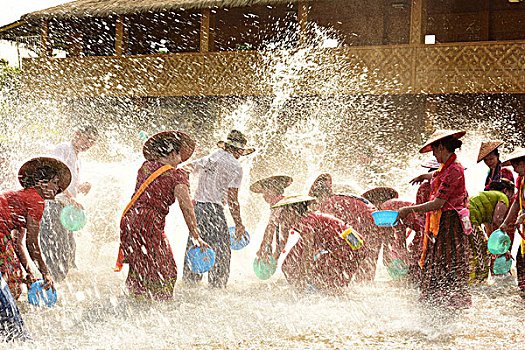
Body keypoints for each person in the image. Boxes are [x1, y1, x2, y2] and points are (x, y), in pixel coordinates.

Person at [117, 131, 208, 300]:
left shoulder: (145, 167)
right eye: (179, 155)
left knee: (139, 266)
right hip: (149, 223)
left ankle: (132, 302)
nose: (180, 161)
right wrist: (196, 235)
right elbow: (186, 207)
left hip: (129, 219)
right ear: (173, 153)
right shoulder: (177, 175)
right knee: (165, 270)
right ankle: (159, 309)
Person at [398, 130, 471, 309]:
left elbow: (437, 203)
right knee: (436, 255)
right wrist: (423, 176)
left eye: (434, 151)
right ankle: (436, 295)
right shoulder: (446, 167)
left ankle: (450, 295)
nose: (433, 155)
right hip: (442, 221)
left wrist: (409, 209)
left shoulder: (455, 169)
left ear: (441, 148)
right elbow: (437, 175)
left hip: (450, 220)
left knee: (447, 257)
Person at [182, 130, 253, 288]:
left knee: (195, 249)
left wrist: (184, 191)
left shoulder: (210, 157)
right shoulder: (236, 167)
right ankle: (217, 290)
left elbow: (185, 169)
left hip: (197, 210)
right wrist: (239, 224)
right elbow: (233, 200)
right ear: (239, 150)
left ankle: (189, 285)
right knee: (221, 255)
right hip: (214, 212)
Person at [0, 157, 71, 299]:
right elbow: (31, 243)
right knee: (12, 282)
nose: (58, 189)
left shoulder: (25, 196)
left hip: (3, 231)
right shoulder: (36, 200)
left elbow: (17, 243)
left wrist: (28, 271)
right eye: (55, 183)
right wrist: (46, 273)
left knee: (11, 276)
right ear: (41, 184)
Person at [39, 125, 98, 281]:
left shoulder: (77, 158)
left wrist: (79, 187)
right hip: (54, 204)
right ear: (77, 134)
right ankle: (52, 282)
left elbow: (68, 183)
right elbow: (53, 174)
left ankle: (65, 286)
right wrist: (70, 197)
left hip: (65, 208)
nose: (88, 143)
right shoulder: (63, 148)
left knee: (69, 249)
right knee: (55, 246)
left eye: (92, 142)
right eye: (87, 138)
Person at [274, 195, 364, 292]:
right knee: (331, 282)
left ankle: (308, 295)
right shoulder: (310, 217)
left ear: (292, 211)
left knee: (322, 279)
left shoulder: (305, 221)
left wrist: (302, 277)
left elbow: (307, 252)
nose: (282, 217)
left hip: (347, 247)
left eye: (283, 212)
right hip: (355, 242)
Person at [308, 174, 378, 281]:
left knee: (356, 248)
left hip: (363, 219)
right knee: (367, 251)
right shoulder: (339, 198)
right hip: (374, 215)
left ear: (320, 196)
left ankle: (357, 283)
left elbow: (332, 231)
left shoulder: (327, 204)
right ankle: (367, 281)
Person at [467, 179, 515, 284]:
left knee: (473, 250)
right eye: (513, 193)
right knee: (482, 253)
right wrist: (504, 248)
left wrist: (495, 247)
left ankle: (471, 280)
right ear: (506, 191)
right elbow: (497, 222)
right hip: (469, 219)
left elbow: (490, 229)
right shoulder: (503, 197)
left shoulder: (489, 197)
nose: (512, 197)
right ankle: (479, 282)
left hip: (465, 216)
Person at [500, 148, 525, 296]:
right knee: (521, 259)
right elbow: (516, 203)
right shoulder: (520, 180)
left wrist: (523, 216)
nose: (514, 169)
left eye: (516, 165)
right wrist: (506, 223)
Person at [251, 175, 293, 263]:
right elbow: (284, 233)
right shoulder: (284, 202)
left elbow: (270, 228)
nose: (263, 195)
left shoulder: (279, 204)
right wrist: (276, 254)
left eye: (264, 191)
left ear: (273, 190)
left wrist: (263, 248)